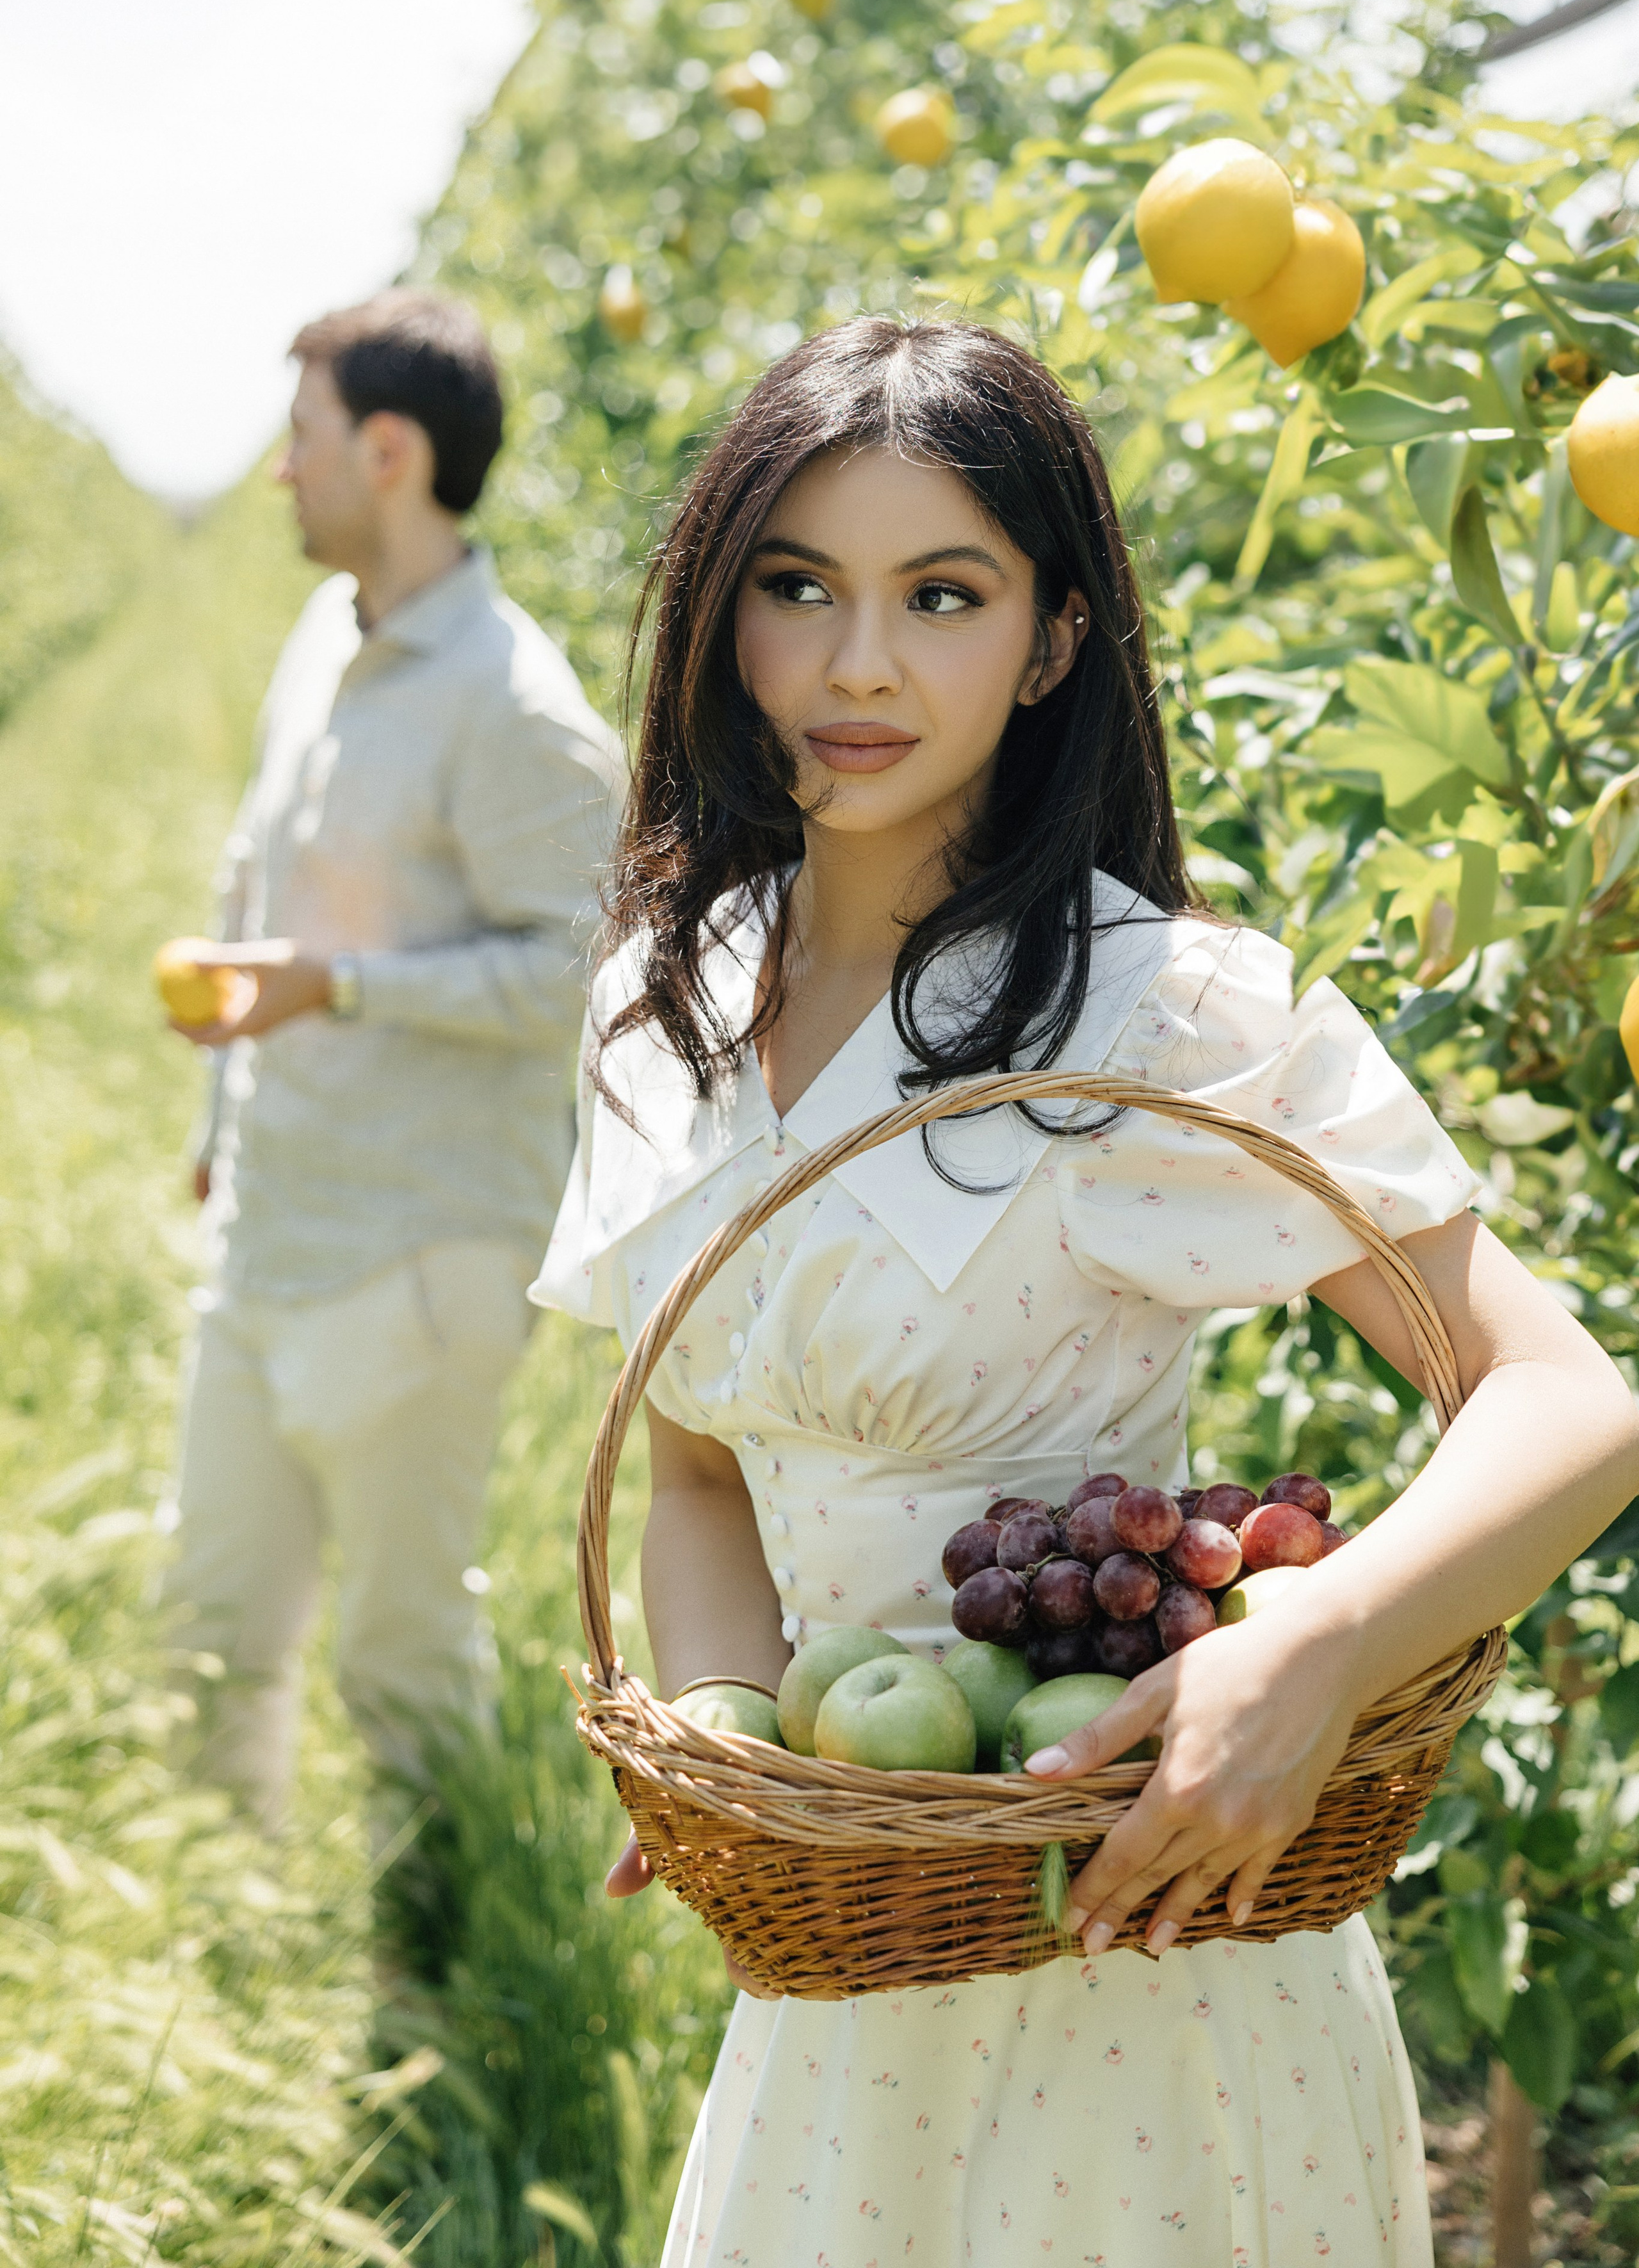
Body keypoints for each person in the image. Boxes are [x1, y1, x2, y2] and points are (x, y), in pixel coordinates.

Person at [531, 314, 1639, 2265]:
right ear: (723, 619)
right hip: (849, 1964)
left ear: (1052, 641)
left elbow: (1567, 1399)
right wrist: (728, 1741)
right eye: (798, 588)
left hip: (1151, 1927)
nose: (856, 664)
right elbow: (701, 1479)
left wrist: (1318, 1650)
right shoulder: (665, 1002)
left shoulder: (1162, 1015)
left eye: (940, 595)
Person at [161, 289, 622, 1831]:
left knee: (400, 1652)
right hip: (277, 1221)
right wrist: (225, 1108)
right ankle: (226, 1932)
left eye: (301, 439)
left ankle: (446, 1979)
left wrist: (335, 991)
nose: (279, 471)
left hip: (416, 1253)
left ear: (388, 450)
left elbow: (579, 971)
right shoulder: (329, 636)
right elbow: (266, 885)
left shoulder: (512, 706)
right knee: (214, 1625)